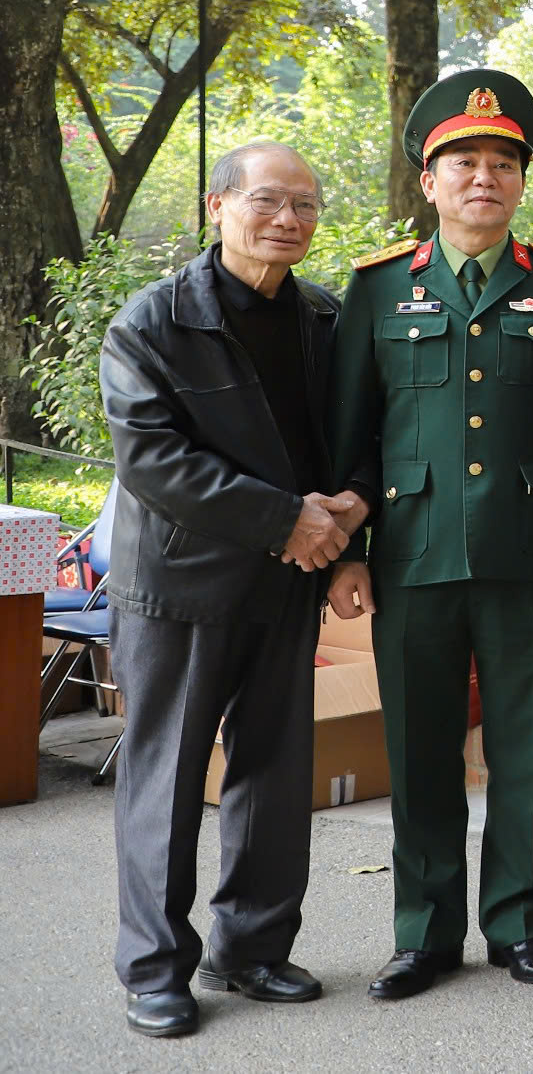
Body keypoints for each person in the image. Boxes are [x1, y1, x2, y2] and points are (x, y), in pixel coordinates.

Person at [327, 69, 533, 995]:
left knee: (526, 749)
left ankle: (525, 926)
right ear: (429, 180)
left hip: (530, 551)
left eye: (501, 162)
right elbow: (350, 434)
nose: (482, 177)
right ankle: (424, 933)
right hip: (411, 551)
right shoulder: (376, 288)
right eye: (463, 162)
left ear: (522, 180)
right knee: (419, 746)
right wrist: (349, 553)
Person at [98, 142, 364, 1038]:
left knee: (276, 773)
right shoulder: (152, 321)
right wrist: (286, 518)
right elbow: (153, 458)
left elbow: (350, 436)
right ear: (219, 205)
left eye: (304, 204)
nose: (287, 219)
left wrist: (344, 515)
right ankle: (155, 968)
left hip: (287, 580)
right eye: (267, 200)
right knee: (167, 778)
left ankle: (250, 946)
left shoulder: (323, 318)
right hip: (178, 582)